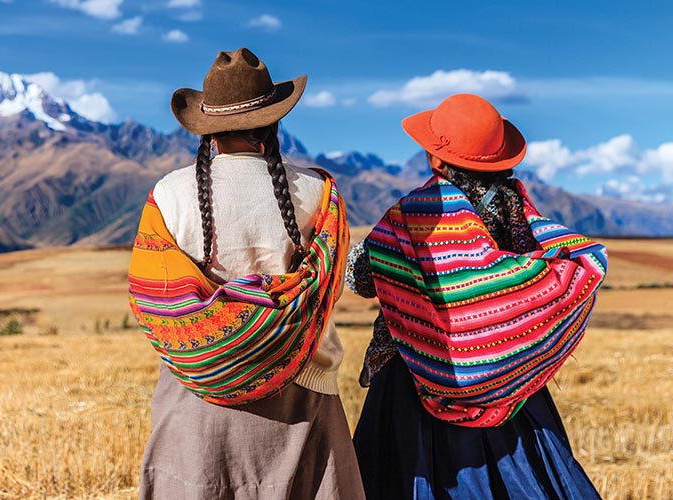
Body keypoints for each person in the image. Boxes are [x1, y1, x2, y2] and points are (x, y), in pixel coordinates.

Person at [128, 48, 364, 500]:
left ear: (207, 130)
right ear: (273, 122)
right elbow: (327, 289)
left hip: (197, 395)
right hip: (303, 393)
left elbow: (152, 293)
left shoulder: (169, 194)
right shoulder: (318, 193)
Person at [347, 93, 608, 499]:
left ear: (435, 158)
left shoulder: (415, 212)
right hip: (507, 383)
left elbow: (363, 276)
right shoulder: (519, 211)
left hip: (413, 377)